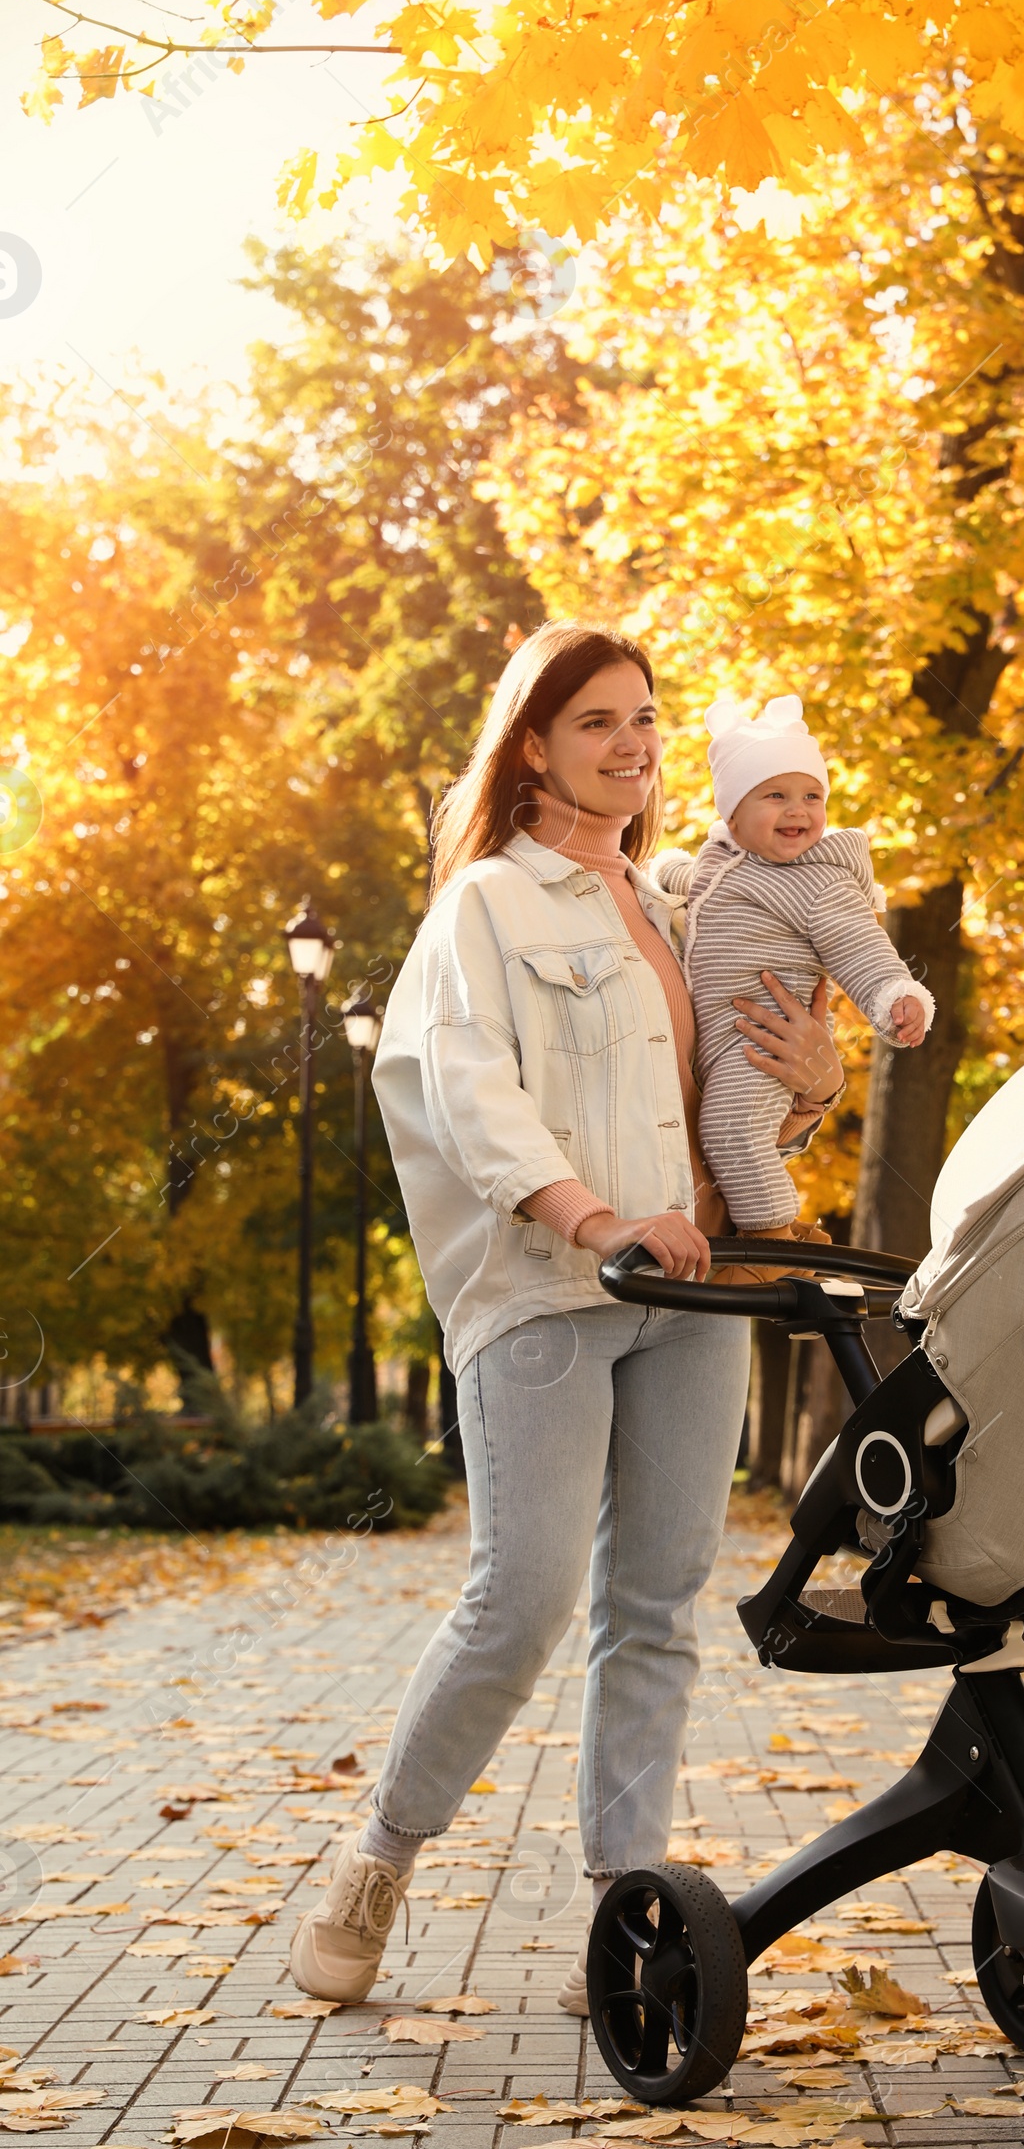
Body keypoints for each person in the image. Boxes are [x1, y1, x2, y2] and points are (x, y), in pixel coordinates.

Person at [286, 623, 844, 2013]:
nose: (636, 743)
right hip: (548, 1289)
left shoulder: (685, 901)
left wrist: (817, 1077)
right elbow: (461, 1088)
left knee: (657, 1605)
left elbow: (734, 1097)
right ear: (534, 744)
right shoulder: (488, 905)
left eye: (647, 718)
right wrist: (597, 1221)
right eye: (600, 720)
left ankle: (629, 1911)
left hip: (694, 1289)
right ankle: (381, 1855)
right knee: (523, 1596)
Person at [652, 695, 933, 1283]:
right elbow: (691, 881)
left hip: (761, 1043)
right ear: (731, 815)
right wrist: (660, 874)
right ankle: (791, 1246)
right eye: (774, 795)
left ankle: (772, 1248)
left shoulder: (816, 883)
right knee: (735, 1133)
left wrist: (893, 996)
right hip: (730, 1038)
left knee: (732, 1130)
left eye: (812, 796)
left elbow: (859, 944)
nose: (797, 810)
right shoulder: (726, 860)